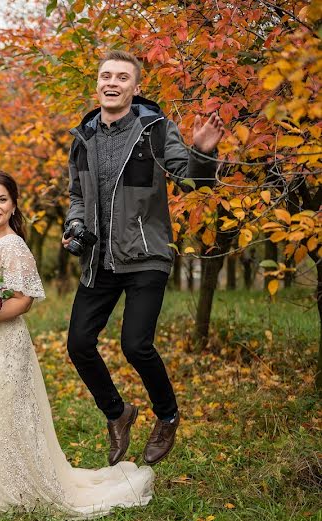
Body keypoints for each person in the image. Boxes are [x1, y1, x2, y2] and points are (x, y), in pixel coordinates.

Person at [0, 170, 154, 519]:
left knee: (1, 410)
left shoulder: (13, 245)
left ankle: (11, 487)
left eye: (2, 199)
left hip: (0, 343)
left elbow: (23, 301)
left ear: (13, 204)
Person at [64, 50, 223, 467]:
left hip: (145, 254)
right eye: (105, 76)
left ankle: (167, 415)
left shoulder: (154, 129)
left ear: (135, 87)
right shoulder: (83, 137)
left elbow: (189, 183)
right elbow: (77, 196)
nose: (111, 82)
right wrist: (74, 228)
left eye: (121, 77)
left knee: (135, 345)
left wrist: (202, 152)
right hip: (99, 258)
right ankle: (118, 414)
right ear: (97, 84)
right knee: (79, 344)